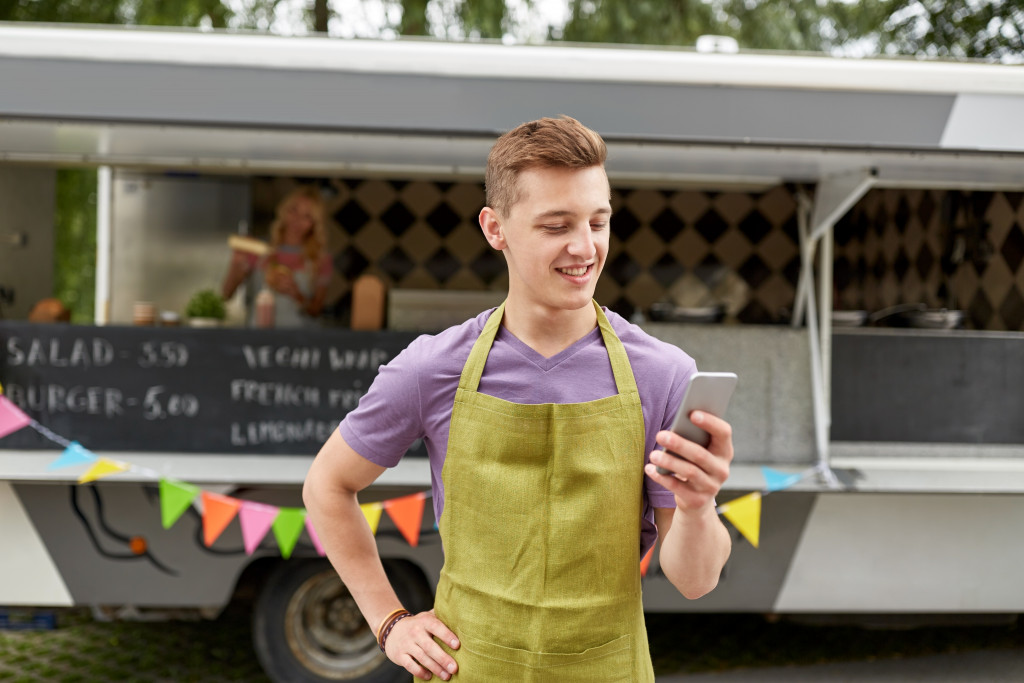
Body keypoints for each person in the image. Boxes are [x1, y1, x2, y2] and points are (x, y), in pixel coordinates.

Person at [303, 116, 733, 681]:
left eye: (598, 222)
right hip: (469, 669)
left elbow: (695, 581)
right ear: (494, 228)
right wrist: (389, 621)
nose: (585, 248)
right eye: (556, 226)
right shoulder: (434, 367)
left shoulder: (664, 375)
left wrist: (699, 506)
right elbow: (327, 486)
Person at [221, 186, 333, 327]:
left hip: (301, 341)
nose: (297, 220)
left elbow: (316, 310)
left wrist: (296, 294)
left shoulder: (321, 259)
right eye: (294, 210)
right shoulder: (258, 250)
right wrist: (237, 265)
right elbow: (226, 294)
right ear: (284, 211)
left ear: (315, 224)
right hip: (259, 338)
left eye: (307, 216)